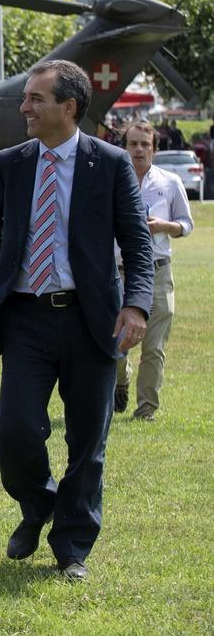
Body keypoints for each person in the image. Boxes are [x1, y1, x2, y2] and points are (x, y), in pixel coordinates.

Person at [0, 59, 152, 582]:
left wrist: (137, 305)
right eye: (26, 97)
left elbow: (137, 244)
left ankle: (72, 546)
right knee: (14, 431)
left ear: (68, 107)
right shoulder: (11, 162)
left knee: (87, 442)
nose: (24, 106)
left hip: (91, 320)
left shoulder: (111, 163)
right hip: (26, 319)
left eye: (35, 98)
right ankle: (39, 505)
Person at [113, 120, 193, 421]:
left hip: (158, 271)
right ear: (125, 147)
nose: (138, 150)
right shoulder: (113, 180)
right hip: (119, 273)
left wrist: (163, 226)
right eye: (133, 144)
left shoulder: (170, 182)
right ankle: (120, 380)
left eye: (145, 144)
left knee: (154, 346)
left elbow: (186, 225)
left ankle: (146, 410)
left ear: (154, 149)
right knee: (117, 345)